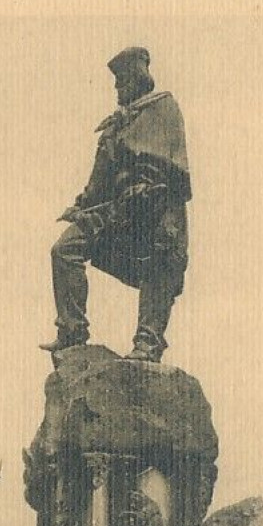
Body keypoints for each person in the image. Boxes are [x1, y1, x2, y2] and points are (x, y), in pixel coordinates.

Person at [44, 47, 191, 363]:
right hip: (120, 212)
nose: (117, 88)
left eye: (122, 81)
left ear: (138, 79)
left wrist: (140, 189)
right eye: (115, 82)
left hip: (157, 213)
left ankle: (148, 345)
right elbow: (100, 178)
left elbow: (165, 173)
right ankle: (72, 331)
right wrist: (82, 206)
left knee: (158, 263)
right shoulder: (116, 124)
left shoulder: (162, 109)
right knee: (64, 249)